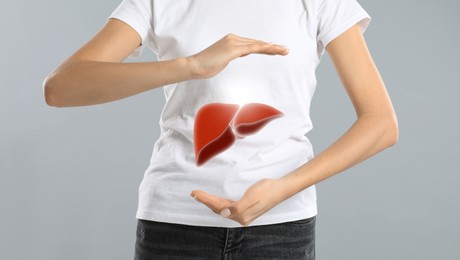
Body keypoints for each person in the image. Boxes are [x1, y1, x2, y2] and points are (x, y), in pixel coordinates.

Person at [43, 0, 398, 259]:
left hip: (280, 228)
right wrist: (192, 66)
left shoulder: (320, 3)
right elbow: (60, 88)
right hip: (173, 224)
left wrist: (283, 189)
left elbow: (381, 124)